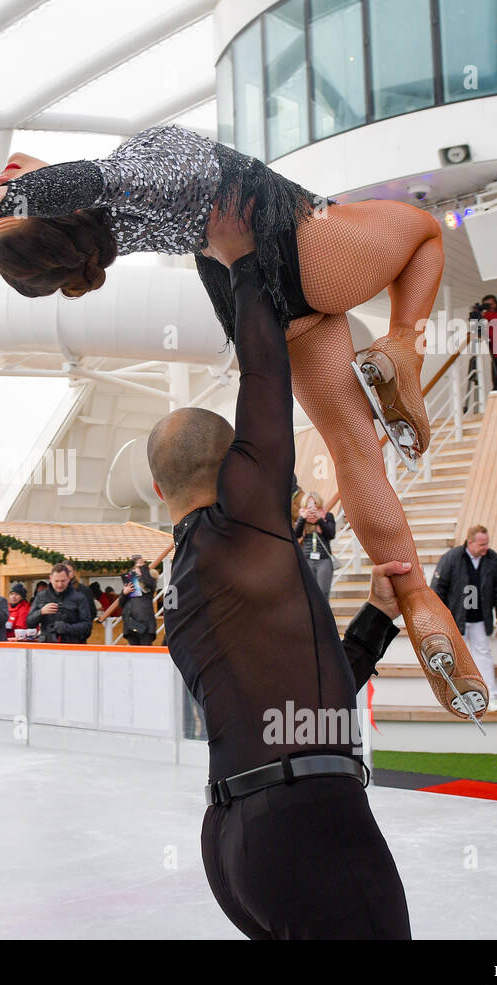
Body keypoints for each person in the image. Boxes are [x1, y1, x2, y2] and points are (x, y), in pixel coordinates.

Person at [0, 123, 486, 716]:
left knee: (357, 451)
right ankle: (403, 350)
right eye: (18, 179)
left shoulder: (100, 223)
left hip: (253, 300)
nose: (13, 168)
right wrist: (6, 200)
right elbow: (64, 183)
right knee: (421, 234)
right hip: (296, 236)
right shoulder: (111, 179)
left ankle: (415, 596)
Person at [147, 259, 410, 939]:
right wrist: (242, 260)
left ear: (157, 491)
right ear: (241, 465)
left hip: (236, 845)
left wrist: (377, 618)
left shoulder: (176, 588)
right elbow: (265, 375)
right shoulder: (242, 525)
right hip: (308, 826)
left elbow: (305, 711)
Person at [430, 526, 497, 711]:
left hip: (480, 619)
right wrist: (440, 618)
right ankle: (460, 699)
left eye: (487, 543)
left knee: (484, 657)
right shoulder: (452, 558)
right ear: (470, 542)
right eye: (482, 544)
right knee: (457, 661)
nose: (486, 547)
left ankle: (492, 697)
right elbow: (437, 589)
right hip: (456, 621)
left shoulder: (492, 558)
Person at [26, 562, 93, 644]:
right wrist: (41, 612)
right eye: (56, 581)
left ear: (69, 578)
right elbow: (29, 623)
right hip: (47, 645)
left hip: (72, 646)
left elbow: (87, 626)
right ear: (50, 579)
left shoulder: (79, 598)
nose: (60, 585)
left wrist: (67, 628)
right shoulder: (41, 596)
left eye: (63, 581)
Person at [293, 492, 336, 598]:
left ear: (318, 503)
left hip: (324, 560)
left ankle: (324, 615)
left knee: (323, 593)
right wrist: (303, 519)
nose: (311, 505)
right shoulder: (302, 516)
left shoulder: (327, 516)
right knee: (309, 594)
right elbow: (296, 535)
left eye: (314, 502)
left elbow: (331, 534)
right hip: (307, 559)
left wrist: (320, 519)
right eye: (308, 503)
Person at [116, 556, 158, 646]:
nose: (138, 571)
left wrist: (142, 566)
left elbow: (149, 582)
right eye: (136, 569)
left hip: (145, 626)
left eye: (140, 569)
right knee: (133, 654)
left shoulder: (149, 583)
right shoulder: (129, 584)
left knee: (146, 654)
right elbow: (121, 604)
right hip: (131, 625)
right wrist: (124, 593)